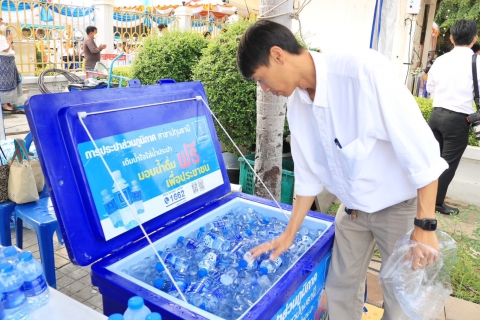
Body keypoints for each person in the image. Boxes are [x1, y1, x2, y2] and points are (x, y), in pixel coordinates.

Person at [237, 20, 446, 319]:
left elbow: (422, 152)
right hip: (353, 210)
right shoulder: (297, 103)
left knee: (402, 301)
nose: (265, 89)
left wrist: (425, 226)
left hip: (399, 208)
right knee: (339, 290)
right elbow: (307, 177)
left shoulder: (362, 72)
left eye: (261, 78)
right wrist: (289, 234)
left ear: (278, 55)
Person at [426, 19, 479, 215]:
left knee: (432, 162)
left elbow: (429, 87)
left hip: (436, 115)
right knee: (447, 165)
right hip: (458, 120)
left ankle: (422, 200)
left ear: (451, 38)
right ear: (475, 39)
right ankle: (436, 204)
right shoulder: (477, 62)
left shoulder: (441, 60)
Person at [0, 18, 24, 114]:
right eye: (1, 21)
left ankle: (8, 102)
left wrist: (10, 41)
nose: (2, 23)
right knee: (5, 83)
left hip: (9, 61)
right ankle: (4, 104)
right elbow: (5, 50)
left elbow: (11, 48)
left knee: (10, 81)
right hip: (3, 61)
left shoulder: (2, 36)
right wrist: (9, 41)